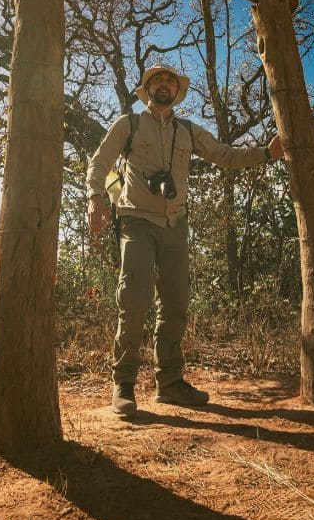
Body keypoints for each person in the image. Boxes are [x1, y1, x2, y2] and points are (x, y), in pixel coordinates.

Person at [86, 65, 284, 416]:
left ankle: (171, 384)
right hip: (136, 221)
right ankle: (124, 385)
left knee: (176, 303)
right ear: (147, 89)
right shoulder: (128, 124)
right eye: (157, 80)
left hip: (176, 224)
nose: (164, 84)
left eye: (170, 81)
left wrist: (266, 153)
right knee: (133, 299)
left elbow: (225, 155)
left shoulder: (188, 131)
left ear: (177, 91)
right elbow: (100, 162)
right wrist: (95, 199)